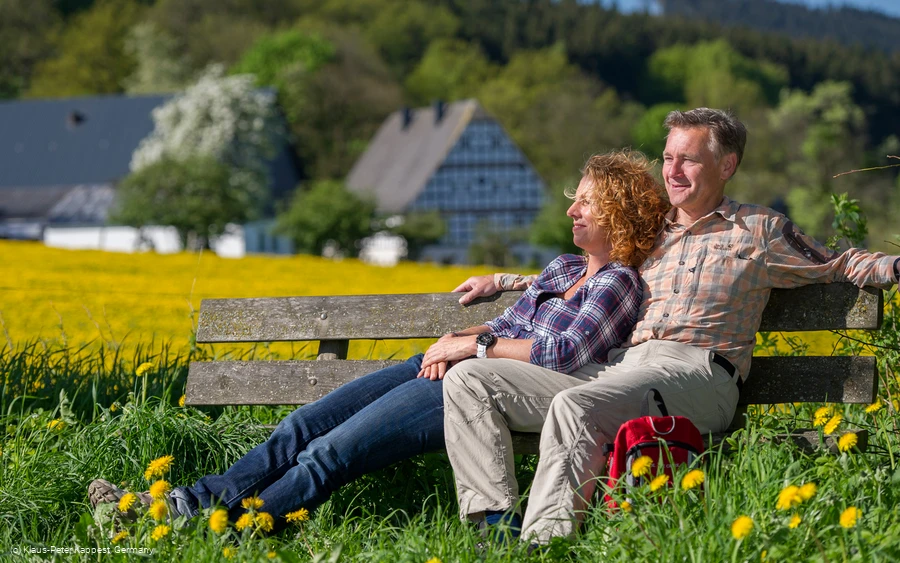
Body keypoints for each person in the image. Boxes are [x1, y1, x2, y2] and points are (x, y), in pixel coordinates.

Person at [88, 149, 668, 531]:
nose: (572, 208)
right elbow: (514, 322)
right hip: (451, 366)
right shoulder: (566, 270)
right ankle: (189, 503)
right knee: (302, 426)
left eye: (586, 201)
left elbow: (563, 355)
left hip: (482, 389)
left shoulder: (617, 282)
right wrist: (464, 332)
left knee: (329, 454)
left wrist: (471, 349)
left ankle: (238, 531)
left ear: (616, 210)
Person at [446, 107, 900, 547]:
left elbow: (837, 263)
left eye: (688, 159)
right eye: (668, 157)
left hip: (700, 374)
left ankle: (544, 547)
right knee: (471, 379)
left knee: (577, 405)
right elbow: (585, 271)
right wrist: (504, 281)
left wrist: (895, 267)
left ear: (726, 164)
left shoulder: (759, 230)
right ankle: (496, 533)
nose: (673, 170)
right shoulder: (648, 230)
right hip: (621, 370)